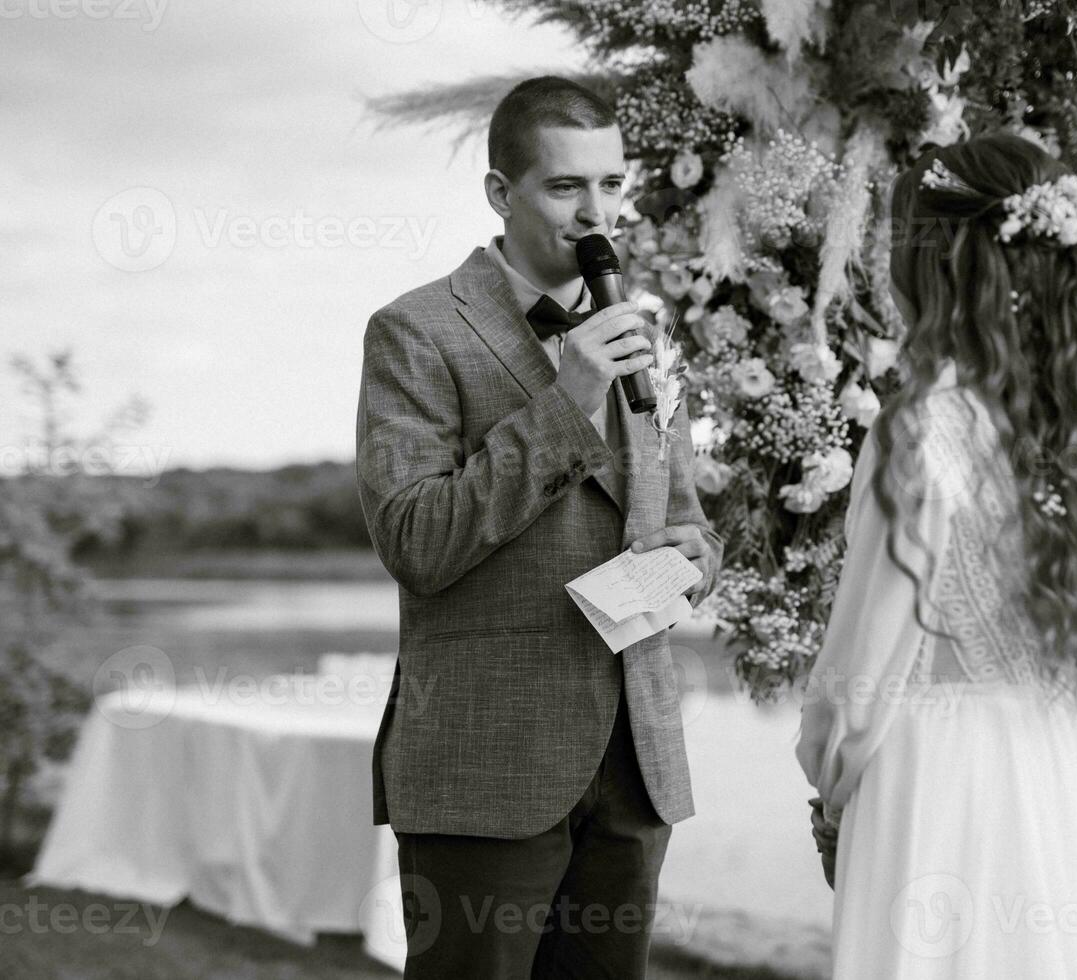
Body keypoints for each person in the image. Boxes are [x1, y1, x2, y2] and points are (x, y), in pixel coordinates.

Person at [795, 132, 1077, 978]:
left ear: (935, 263)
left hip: (937, 784)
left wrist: (831, 790)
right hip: (1069, 770)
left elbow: (863, 667)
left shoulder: (921, 426)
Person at [354, 75, 723, 978]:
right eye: (565, 187)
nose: (596, 212)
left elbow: (683, 519)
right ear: (500, 193)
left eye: (610, 184)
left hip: (634, 763)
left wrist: (699, 556)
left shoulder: (646, 330)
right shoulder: (416, 331)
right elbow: (417, 542)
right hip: (487, 764)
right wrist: (570, 400)